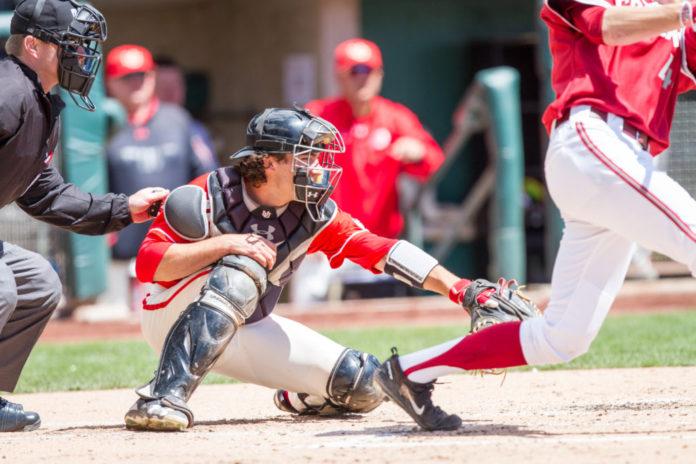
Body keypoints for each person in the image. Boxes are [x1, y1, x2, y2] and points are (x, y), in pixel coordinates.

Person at [375, 0, 696, 431]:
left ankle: (410, 371)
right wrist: (684, 11)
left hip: (622, 162)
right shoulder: (662, 12)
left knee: (562, 337)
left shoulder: (674, 20)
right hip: (593, 139)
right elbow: (608, 28)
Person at [121, 107, 535, 432]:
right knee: (243, 266)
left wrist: (462, 289)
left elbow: (379, 249)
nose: (316, 166)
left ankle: (299, 396)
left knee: (363, 383)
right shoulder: (205, 196)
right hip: (169, 317)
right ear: (268, 163)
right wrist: (227, 244)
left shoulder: (313, 213)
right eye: (304, 157)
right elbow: (149, 266)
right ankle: (160, 399)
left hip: (248, 324)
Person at [0, 0, 168, 432]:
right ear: (33, 45)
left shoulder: (39, 101)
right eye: (71, 45)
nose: (82, 55)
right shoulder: (8, 90)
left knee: (38, 282)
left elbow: (44, 194)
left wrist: (123, 210)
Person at [291, 38, 445, 302]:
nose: (362, 79)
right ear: (339, 77)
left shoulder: (395, 118)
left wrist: (417, 152)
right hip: (322, 242)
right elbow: (287, 170)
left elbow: (433, 161)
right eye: (354, 72)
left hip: (375, 242)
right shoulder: (318, 116)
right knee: (309, 325)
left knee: (381, 325)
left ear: (380, 74)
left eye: (369, 70)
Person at [105, 44, 219, 261]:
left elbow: (209, 178)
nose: (136, 83)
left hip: (176, 246)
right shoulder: (102, 126)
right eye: (127, 77)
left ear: (152, 77)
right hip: (121, 252)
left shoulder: (179, 120)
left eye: (142, 75)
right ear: (110, 82)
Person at [153, 55, 217, 163]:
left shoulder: (196, 131)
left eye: (176, 84)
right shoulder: (134, 132)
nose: (170, 92)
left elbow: (209, 174)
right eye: (162, 85)